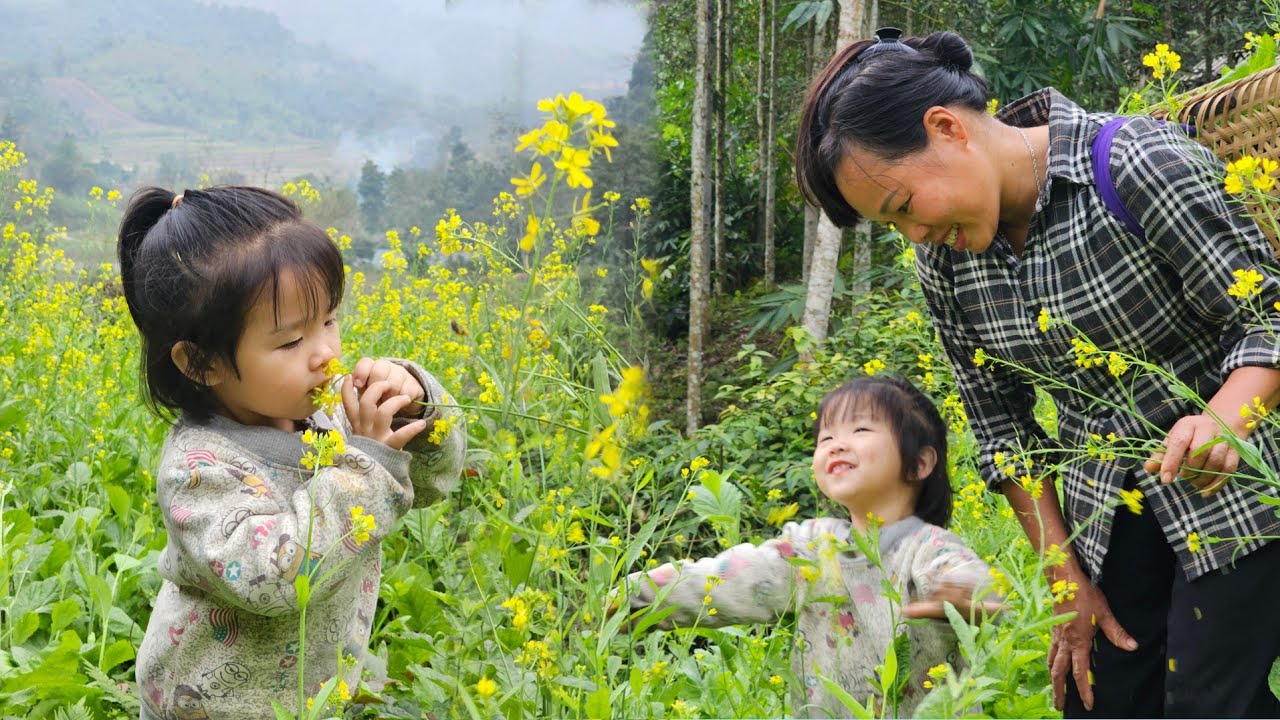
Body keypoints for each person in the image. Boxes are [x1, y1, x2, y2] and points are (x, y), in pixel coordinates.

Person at [794, 28, 1280, 717]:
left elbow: (1267, 314)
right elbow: (1001, 427)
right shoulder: (945, 261)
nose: (915, 235)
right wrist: (1064, 578)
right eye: (893, 226)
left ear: (946, 128)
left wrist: (1225, 418)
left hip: (1241, 489)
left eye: (904, 206)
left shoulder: (1134, 163)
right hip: (1106, 508)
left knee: (1208, 703)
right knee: (1100, 699)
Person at [118, 186, 466, 718]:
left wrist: (414, 407)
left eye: (328, 320)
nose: (325, 353)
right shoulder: (198, 471)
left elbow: (434, 480)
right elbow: (279, 581)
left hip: (311, 696)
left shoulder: (335, 416)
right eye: (289, 342)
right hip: (209, 706)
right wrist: (367, 466)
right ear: (202, 364)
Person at [620, 376, 996, 718]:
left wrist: (961, 597)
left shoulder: (927, 546)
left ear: (919, 463)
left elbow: (969, 578)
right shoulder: (812, 547)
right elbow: (731, 578)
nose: (837, 445)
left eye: (861, 429)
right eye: (826, 438)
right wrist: (634, 597)